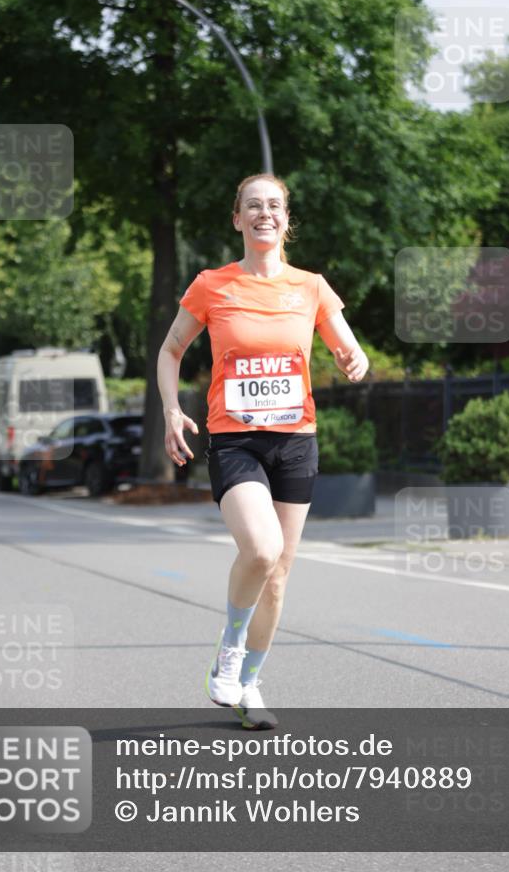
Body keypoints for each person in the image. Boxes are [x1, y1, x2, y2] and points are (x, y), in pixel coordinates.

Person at [157, 173, 369, 729]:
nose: (264, 214)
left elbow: (349, 347)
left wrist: (355, 359)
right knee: (260, 550)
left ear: (286, 219)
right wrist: (171, 409)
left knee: (279, 575)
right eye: (253, 205)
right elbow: (171, 349)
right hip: (235, 439)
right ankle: (228, 651)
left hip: (296, 441)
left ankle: (248, 686)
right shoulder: (213, 285)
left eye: (274, 205)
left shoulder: (312, 287)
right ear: (238, 218)